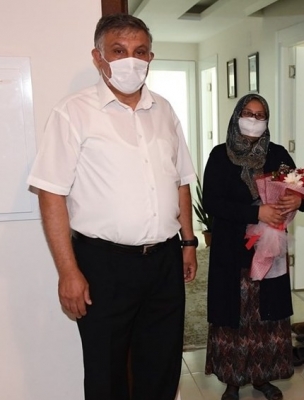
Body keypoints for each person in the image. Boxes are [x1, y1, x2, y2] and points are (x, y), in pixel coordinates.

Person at [26, 14, 198, 400]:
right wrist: (68, 272)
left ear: (150, 57)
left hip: (164, 261)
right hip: (104, 264)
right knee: (106, 372)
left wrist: (188, 242)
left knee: (162, 364)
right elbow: (51, 193)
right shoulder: (73, 112)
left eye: (140, 51)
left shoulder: (165, 111)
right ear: (98, 57)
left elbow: (181, 180)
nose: (130, 61)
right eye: (118, 51)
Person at [202, 93, 304, 400]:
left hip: (268, 252)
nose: (254, 119)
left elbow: (303, 192)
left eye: (260, 115)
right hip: (231, 253)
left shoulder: (277, 154)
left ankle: (263, 377)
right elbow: (212, 202)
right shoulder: (220, 156)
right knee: (235, 317)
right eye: (248, 113)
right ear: (237, 115)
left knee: (266, 317)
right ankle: (233, 381)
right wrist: (255, 213)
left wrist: (298, 199)